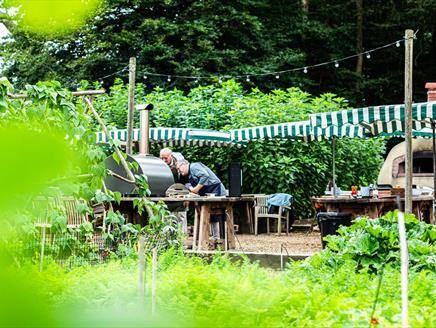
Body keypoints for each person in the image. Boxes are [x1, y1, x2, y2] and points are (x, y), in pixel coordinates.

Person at [177, 160, 226, 240]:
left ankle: (217, 237)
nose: (179, 171)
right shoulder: (190, 173)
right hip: (209, 191)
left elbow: (205, 176)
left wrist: (196, 189)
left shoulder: (194, 166)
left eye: (179, 168)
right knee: (206, 213)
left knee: (214, 214)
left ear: (184, 164)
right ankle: (209, 237)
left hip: (216, 189)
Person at [159, 147, 188, 234]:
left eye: (166, 158)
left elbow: (186, 181)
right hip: (165, 196)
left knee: (181, 218)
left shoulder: (180, 164)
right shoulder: (159, 164)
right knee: (166, 219)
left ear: (170, 156)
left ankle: (182, 241)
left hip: (180, 194)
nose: (164, 160)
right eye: (162, 158)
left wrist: (186, 197)